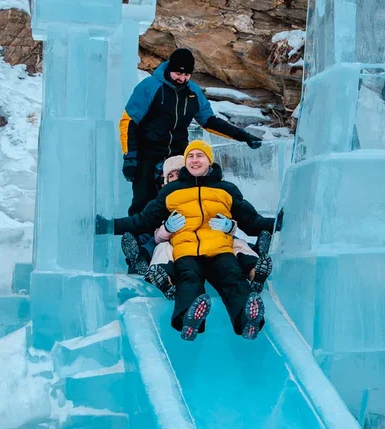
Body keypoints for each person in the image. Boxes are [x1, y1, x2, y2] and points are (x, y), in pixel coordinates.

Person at [98, 140, 274, 341]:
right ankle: (188, 321)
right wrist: (108, 226)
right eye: (190, 156)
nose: (194, 160)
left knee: (232, 278)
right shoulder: (171, 191)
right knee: (189, 279)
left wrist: (280, 222)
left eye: (199, 156)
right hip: (186, 250)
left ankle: (247, 320)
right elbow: (143, 220)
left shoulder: (226, 189)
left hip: (220, 249)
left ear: (209, 161)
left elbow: (251, 221)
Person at [119, 48, 263, 216]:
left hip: (178, 154)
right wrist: (130, 156)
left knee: (182, 200)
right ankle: (138, 239)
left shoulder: (193, 91)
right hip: (148, 153)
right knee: (144, 201)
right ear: (169, 68)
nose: (182, 78)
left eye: (187, 75)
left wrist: (243, 136)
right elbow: (129, 121)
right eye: (177, 74)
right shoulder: (150, 86)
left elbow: (209, 121)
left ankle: (177, 239)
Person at [138, 154, 273, 300]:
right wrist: (166, 230)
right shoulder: (164, 200)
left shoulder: (206, 191)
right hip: (179, 244)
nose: (176, 178)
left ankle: (256, 270)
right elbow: (151, 226)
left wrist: (229, 226)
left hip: (214, 240)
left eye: (179, 172)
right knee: (162, 249)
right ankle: (156, 274)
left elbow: (235, 216)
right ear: (165, 182)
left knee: (236, 243)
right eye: (171, 176)